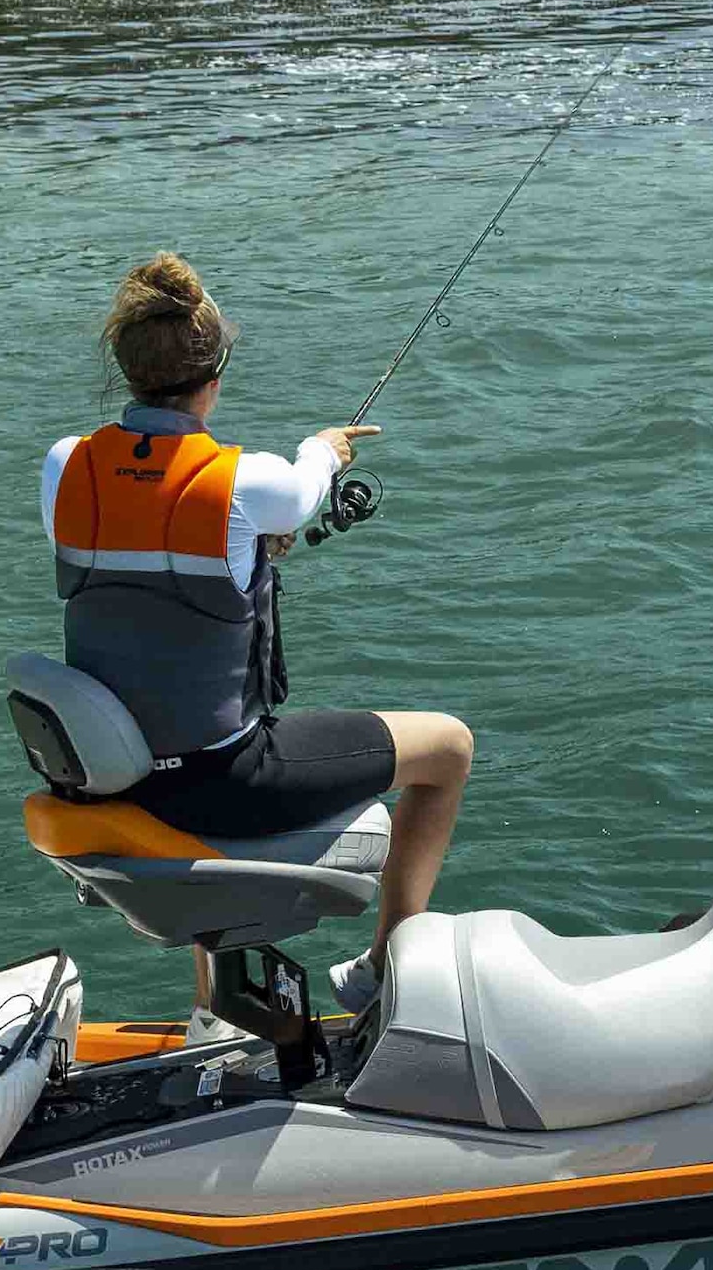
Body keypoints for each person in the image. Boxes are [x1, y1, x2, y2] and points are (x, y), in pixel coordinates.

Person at [45, 251, 474, 936]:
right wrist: (327, 445)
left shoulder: (66, 466)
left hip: (110, 775)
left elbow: (138, 561)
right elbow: (305, 482)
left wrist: (241, 548)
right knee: (449, 747)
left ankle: (212, 1005)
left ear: (125, 370)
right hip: (223, 784)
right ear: (213, 382)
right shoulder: (245, 483)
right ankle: (393, 966)